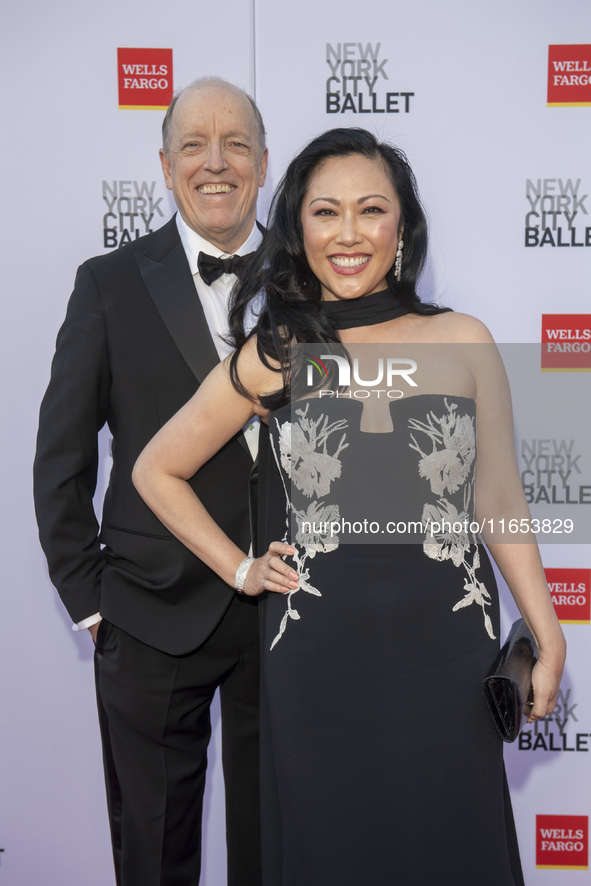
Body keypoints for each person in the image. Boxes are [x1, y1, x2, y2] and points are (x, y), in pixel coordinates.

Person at [132, 128, 566, 886]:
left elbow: (497, 498)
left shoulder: (461, 340)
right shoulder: (275, 353)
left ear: (402, 226)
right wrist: (238, 568)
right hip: (316, 662)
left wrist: (548, 626)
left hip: (448, 657)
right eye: (325, 212)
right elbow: (156, 469)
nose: (348, 233)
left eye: (371, 210)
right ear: (298, 228)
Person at [33, 77, 268, 886]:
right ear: (164, 168)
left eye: (235, 143)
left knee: (278, 852)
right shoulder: (107, 283)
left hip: (285, 616)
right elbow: (60, 458)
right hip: (147, 612)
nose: (216, 163)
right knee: (155, 861)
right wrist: (94, 605)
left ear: (264, 165)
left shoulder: (313, 280)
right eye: (193, 146)